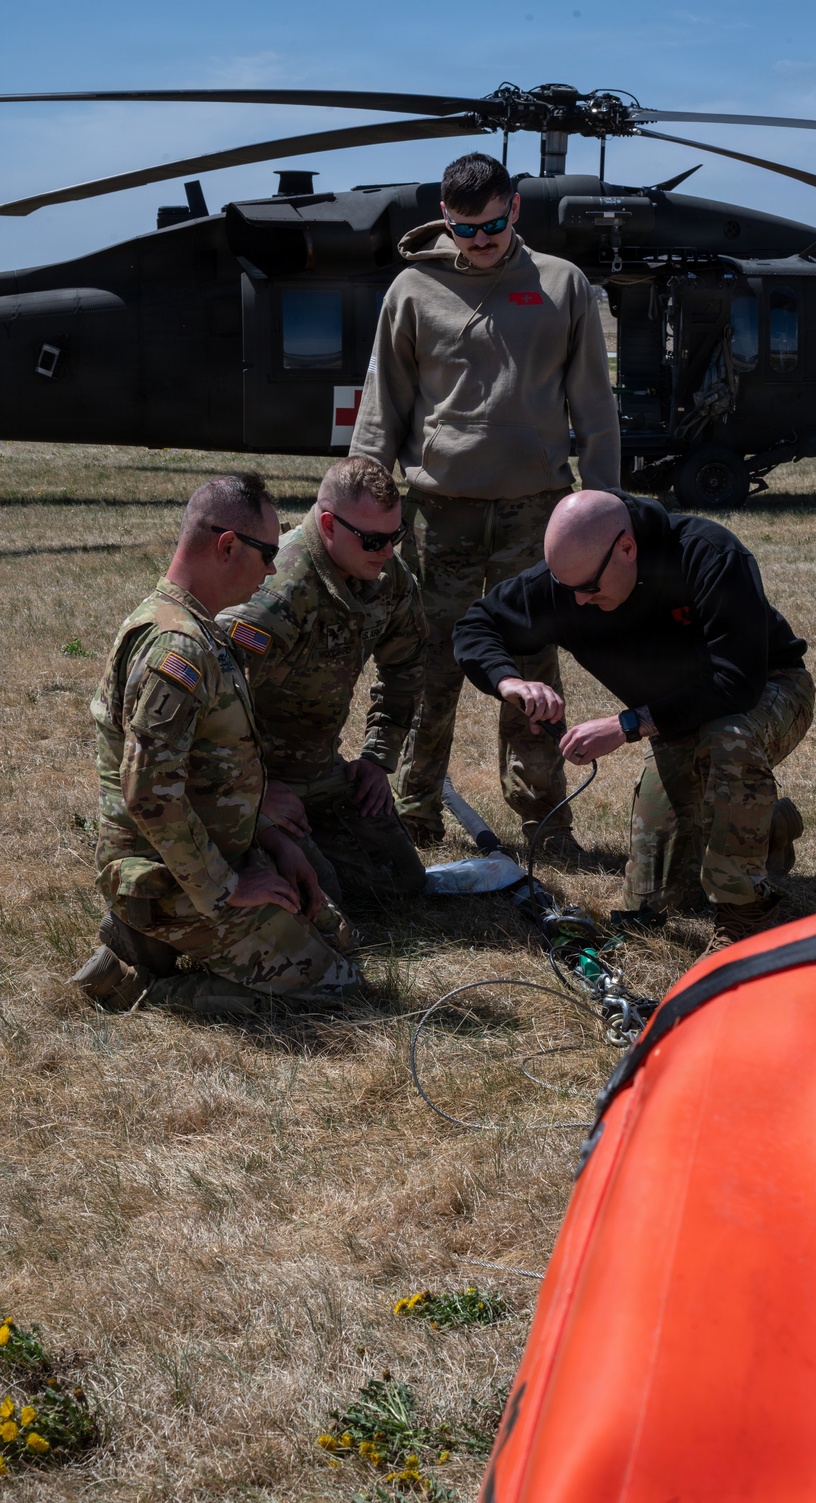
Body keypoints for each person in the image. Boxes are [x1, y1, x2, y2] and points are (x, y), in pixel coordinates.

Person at [349, 151, 620, 851]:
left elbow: (594, 407)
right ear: (446, 218)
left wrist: (611, 511)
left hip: (536, 511)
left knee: (531, 665)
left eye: (493, 226)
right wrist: (356, 514)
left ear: (515, 210)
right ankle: (411, 812)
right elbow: (380, 413)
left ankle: (544, 822)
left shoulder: (562, 285)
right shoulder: (412, 290)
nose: (480, 241)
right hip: (440, 514)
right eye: (466, 229)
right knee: (428, 659)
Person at [452, 489, 815, 945]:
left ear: (627, 548)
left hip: (768, 690)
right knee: (657, 901)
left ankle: (743, 915)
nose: (579, 602)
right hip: (675, 721)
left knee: (727, 738)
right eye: (567, 590)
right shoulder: (572, 581)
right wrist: (511, 682)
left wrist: (627, 725)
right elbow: (475, 625)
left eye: (588, 588)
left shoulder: (707, 553)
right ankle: (768, 826)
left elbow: (736, 682)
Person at [72, 472, 361, 1017]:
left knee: (338, 935)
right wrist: (227, 889)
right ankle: (135, 983)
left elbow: (217, 774)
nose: (274, 569)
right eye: (267, 553)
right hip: (161, 874)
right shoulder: (176, 648)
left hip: (213, 853)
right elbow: (150, 795)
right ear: (227, 545)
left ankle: (153, 941)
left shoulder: (202, 631)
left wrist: (274, 843)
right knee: (333, 988)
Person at [218, 456, 427, 909]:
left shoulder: (387, 576)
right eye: (374, 539)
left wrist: (376, 756)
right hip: (250, 780)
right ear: (329, 525)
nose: (388, 551)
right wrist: (255, 791)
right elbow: (209, 706)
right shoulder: (276, 596)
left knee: (399, 882)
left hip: (319, 772)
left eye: (397, 535)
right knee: (320, 898)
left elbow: (407, 664)